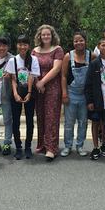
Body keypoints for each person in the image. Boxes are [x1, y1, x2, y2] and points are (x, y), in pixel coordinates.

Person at [31, 25, 64, 162]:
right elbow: (31, 67)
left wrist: (42, 82)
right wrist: (38, 82)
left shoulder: (57, 50)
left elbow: (56, 69)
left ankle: (51, 148)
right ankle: (42, 144)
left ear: (52, 36)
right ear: (39, 36)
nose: (45, 37)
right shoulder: (34, 51)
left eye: (48, 34)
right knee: (41, 116)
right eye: (43, 35)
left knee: (51, 116)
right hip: (38, 86)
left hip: (52, 87)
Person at [6, 35, 40, 159]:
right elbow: (13, 79)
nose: (22, 47)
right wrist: (15, 93)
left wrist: (29, 93)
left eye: (25, 44)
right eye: (20, 44)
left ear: (28, 46)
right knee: (16, 121)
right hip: (16, 92)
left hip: (30, 92)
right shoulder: (13, 60)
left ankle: (28, 147)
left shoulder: (34, 60)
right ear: (17, 45)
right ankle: (19, 147)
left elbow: (32, 76)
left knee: (30, 120)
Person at [61, 31, 94, 157]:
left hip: (84, 95)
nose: (78, 43)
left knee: (83, 122)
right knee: (69, 122)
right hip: (71, 93)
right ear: (73, 42)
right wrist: (64, 93)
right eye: (76, 41)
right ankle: (67, 146)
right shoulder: (68, 56)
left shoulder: (91, 56)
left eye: (81, 40)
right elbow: (63, 76)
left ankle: (80, 145)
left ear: (85, 41)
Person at [85, 37, 105, 160]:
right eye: (102, 45)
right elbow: (88, 84)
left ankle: (104, 144)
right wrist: (90, 100)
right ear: (98, 46)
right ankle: (95, 147)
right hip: (97, 98)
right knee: (95, 122)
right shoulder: (94, 63)